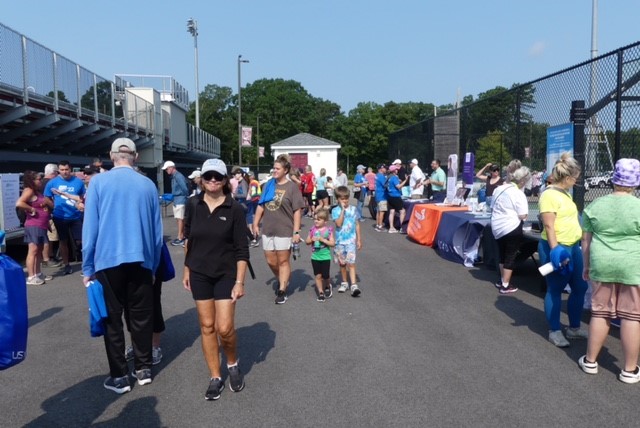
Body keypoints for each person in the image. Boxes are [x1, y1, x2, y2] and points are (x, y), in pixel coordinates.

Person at [82, 138, 163, 394]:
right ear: (136, 157)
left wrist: (87, 267)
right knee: (141, 317)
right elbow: (156, 234)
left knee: (111, 319)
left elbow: (90, 229)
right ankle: (144, 368)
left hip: (107, 261)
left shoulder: (98, 183)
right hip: (140, 259)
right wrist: (153, 266)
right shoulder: (148, 185)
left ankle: (119, 376)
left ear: (111, 155)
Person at [183, 158, 249, 400]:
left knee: (225, 327)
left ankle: (232, 363)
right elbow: (189, 239)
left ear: (224, 181)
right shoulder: (193, 204)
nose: (212, 181)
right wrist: (187, 269)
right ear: (202, 180)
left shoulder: (235, 210)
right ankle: (215, 375)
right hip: (199, 272)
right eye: (208, 176)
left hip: (226, 274)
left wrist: (239, 281)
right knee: (207, 326)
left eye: (217, 177)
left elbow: (242, 249)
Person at [579, 158, 640, 383]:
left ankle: (591, 361)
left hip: (601, 263)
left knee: (600, 312)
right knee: (632, 316)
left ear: (614, 179)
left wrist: (586, 265)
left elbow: (585, 241)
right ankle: (629, 370)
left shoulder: (595, 205)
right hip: (632, 265)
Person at [538, 152, 589, 348]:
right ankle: (555, 330)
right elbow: (549, 226)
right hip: (557, 248)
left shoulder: (564, 194)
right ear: (567, 178)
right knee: (556, 289)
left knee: (580, 287)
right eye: (575, 178)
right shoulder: (549, 195)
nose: (576, 181)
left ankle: (574, 328)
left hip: (573, 247)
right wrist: (556, 252)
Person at [252, 154, 305, 304]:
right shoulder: (269, 185)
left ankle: (282, 290)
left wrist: (296, 232)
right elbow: (261, 205)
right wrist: (256, 223)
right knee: (270, 260)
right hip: (268, 229)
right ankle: (282, 278)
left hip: (285, 229)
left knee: (283, 261)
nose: (274, 171)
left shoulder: (292, 187)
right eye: (273, 168)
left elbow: (297, 211)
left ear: (285, 170)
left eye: (277, 168)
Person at [490, 166, 531, 295]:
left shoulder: (498, 189)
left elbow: (492, 206)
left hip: (496, 226)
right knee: (510, 255)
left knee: (502, 255)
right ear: (523, 181)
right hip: (511, 227)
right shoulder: (519, 193)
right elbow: (523, 215)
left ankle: (502, 280)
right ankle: (506, 285)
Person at [44, 160, 86, 275]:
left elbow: (82, 197)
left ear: (70, 169)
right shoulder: (52, 183)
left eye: (66, 169)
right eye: (62, 170)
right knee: (63, 241)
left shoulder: (78, 182)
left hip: (76, 216)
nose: (64, 172)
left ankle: (86, 264)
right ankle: (67, 265)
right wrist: (53, 207)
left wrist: (80, 204)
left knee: (81, 241)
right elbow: (46, 197)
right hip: (60, 217)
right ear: (58, 170)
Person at [16, 170, 53, 285]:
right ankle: (31, 277)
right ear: (31, 181)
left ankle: (37, 273)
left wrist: (47, 223)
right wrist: (31, 209)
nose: (40, 181)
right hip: (33, 225)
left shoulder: (37, 192)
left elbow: (44, 208)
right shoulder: (29, 190)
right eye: (38, 179)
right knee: (33, 250)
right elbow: (19, 203)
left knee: (39, 250)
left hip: (41, 225)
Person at [331, 186, 362, 296]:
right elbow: (338, 224)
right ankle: (344, 282)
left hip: (351, 241)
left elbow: (357, 224)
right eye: (342, 198)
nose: (345, 200)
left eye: (346, 198)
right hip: (340, 241)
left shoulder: (354, 209)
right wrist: (343, 210)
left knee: (351, 263)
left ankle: (354, 284)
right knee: (342, 264)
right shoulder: (335, 210)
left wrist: (359, 239)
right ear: (337, 199)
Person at [305, 208, 335, 302]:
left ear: (325, 221)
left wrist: (323, 240)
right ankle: (320, 293)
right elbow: (307, 241)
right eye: (315, 219)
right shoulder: (312, 230)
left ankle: (327, 285)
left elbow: (332, 243)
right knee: (318, 275)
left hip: (325, 256)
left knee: (325, 275)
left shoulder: (328, 231)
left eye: (319, 219)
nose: (316, 221)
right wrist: (311, 240)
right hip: (315, 256)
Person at [162, 160, 190, 246]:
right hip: (177, 199)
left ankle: (180, 237)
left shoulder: (178, 176)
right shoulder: (175, 176)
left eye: (167, 169)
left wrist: (186, 196)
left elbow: (184, 188)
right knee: (179, 219)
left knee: (180, 219)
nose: (166, 171)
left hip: (180, 199)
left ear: (171, 168)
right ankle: (180, 236)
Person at [386, 164, 408, 234]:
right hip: (395, 196)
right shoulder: (394, 178)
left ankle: (391, 227)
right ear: (394, 171)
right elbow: (398, 187)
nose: (397, 170)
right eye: (396, 169)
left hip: (390, 195)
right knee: (402, 211)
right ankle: (402, 228)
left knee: (392, 212)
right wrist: (406, 180)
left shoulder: (389, 177)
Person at [247, 171, 262, 247]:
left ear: (252, 176)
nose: (248, 177)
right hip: (257, 200)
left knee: (254, 219)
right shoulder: (256, 182)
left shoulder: (253, 182)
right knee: (255, 219)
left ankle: (255, 238)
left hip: (255, 200)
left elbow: (253, 192)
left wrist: (249, 196)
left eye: (249, 176)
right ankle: (255, 236)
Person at [374, 164, 388, 232]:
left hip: (377, 195)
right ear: (381, 168)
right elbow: (385, 185)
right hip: (382, 195)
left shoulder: (376, 175)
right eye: (384, 168)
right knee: (382, 212)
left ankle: (377, 224)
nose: (385, 169)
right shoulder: (381, 176)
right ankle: (380, 226)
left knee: (378, 211)